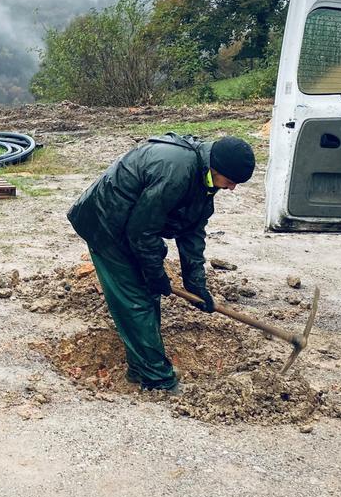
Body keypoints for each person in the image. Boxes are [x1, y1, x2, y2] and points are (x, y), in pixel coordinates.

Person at [67, 134, 256, 393]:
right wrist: (155, 273)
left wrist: (196, 285)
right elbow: (142, 231)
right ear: (217, 167)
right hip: (105, 222)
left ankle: (140, 368)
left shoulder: (204, 177)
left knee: (145, 295)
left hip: (130, 225)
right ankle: (157, 380)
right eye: (231, 182)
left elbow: (192, 232)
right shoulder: (177, 172)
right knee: (136, 300)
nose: (232, 188)